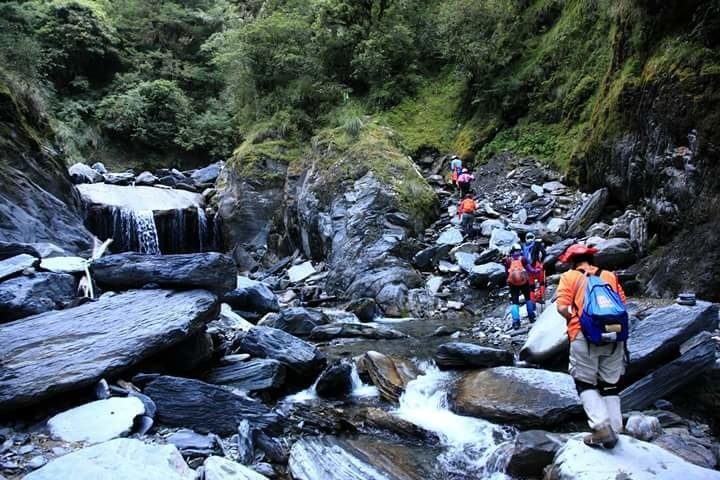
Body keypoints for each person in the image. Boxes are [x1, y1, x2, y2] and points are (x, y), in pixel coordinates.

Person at [556, 244, 628, 449]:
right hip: (615, 333)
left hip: (583, 334)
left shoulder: (569, 277)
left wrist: (574, 317)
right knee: (610, 383)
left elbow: (563, 307)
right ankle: (616, 426)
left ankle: (601, 427)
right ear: (591, 259)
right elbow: (622, 303)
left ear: (572, 262)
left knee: (584, 382)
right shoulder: (609, 276)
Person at [504, 243, 539, 329]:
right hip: (524, 282)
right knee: (528, 299)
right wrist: (537, 271)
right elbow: (530, 270)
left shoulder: (508, 261)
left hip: (513, 284)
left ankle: (516, 322)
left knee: (515, 302)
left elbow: (506, 273)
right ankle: (531, 316)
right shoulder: (523, 259)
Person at [523, 232, 547, 305]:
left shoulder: (524, 246)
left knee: (531, 287)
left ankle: (532, 302)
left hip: (528, 269)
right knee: (542, 283)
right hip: (537, 266)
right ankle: (540, 297)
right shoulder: (537, 243)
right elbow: (544, 253)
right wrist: (541, 260)